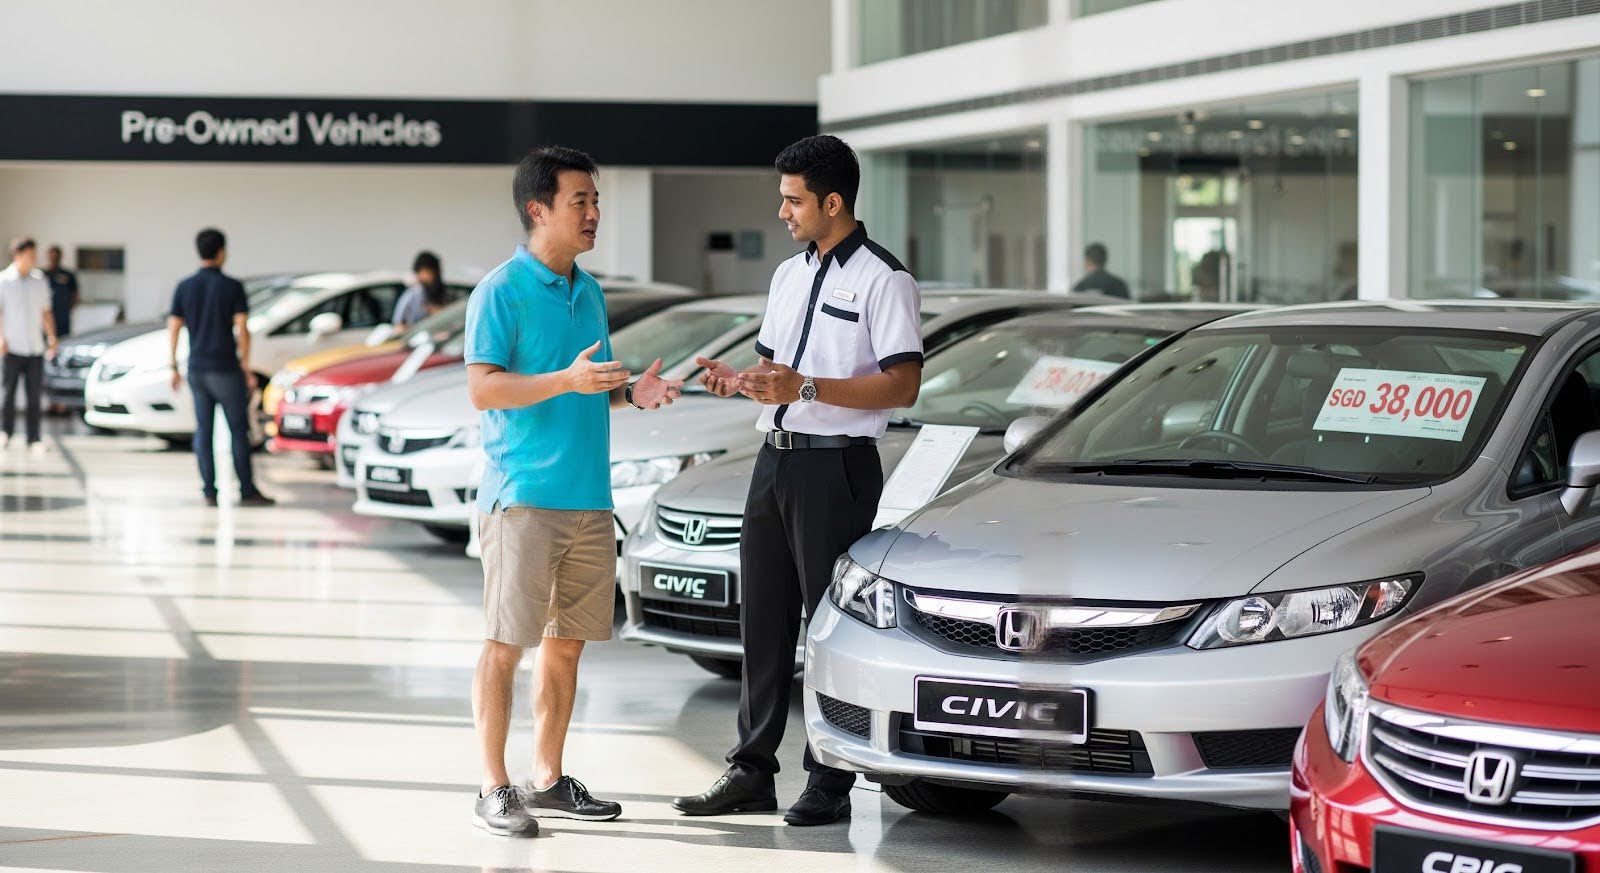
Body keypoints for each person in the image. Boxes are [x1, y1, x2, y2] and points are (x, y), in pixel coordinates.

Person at [674, 134, 924, 827]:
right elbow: (773, 373)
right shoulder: (788, 276)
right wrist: (739, 383)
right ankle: (751, 768)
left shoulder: (884, 278)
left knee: (827, 627)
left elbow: (902, 384)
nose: (781, 211)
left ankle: (831, 778)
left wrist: (807, 383)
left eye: (793, 200)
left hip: (836, 464)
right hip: (774, 458)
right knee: (762, 618)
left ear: (833, 202)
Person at [463, 146, 683, 838]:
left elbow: (590, 389)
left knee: (567, 644)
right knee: (506, 642)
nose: (593, 213)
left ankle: (548, 779)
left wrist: (632, 393)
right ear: (539, 209)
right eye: (580, 200)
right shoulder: (500, 291)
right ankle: (494, 786)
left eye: (596, 201)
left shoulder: (588, 292)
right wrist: (565, 379)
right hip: (522, 498)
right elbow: (484, 387)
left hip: (589, 499)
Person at [167, 228, 274, 507]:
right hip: (225, 368)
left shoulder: (184, 286)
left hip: (197, 368)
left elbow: (174, 326)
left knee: (204, 430)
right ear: (222, 252)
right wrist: (246, 365)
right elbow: (242, 327)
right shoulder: (232, 287)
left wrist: (173, 366)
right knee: (238, 429)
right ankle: (247, 490)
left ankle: (208, 491)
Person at [0, 238, 57, 453]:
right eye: (30, 255)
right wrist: (1, 338)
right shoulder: (4, 281)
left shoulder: (39, 280)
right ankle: (5, 432)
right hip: (12, 347)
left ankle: (34, 438)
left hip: (34, 346)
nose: (34, 259)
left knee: (34, 395)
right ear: (18, 255)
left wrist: (51, 336)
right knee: (8, 393)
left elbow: (45, 311)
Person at [391, 250, 443, 328]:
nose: (430, 277)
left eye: (432, 273)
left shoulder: (444, 293)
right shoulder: (413, 294)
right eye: (427, 272)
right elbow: (398, 323)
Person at [43, 245, 78, 339]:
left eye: (56, 256)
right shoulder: (42, 275)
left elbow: (75, 293)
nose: (54, 258)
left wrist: (69, 308)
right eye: (52, 256)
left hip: (62, 314)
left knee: (64, 339)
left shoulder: (68, 274)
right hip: (46, 313)